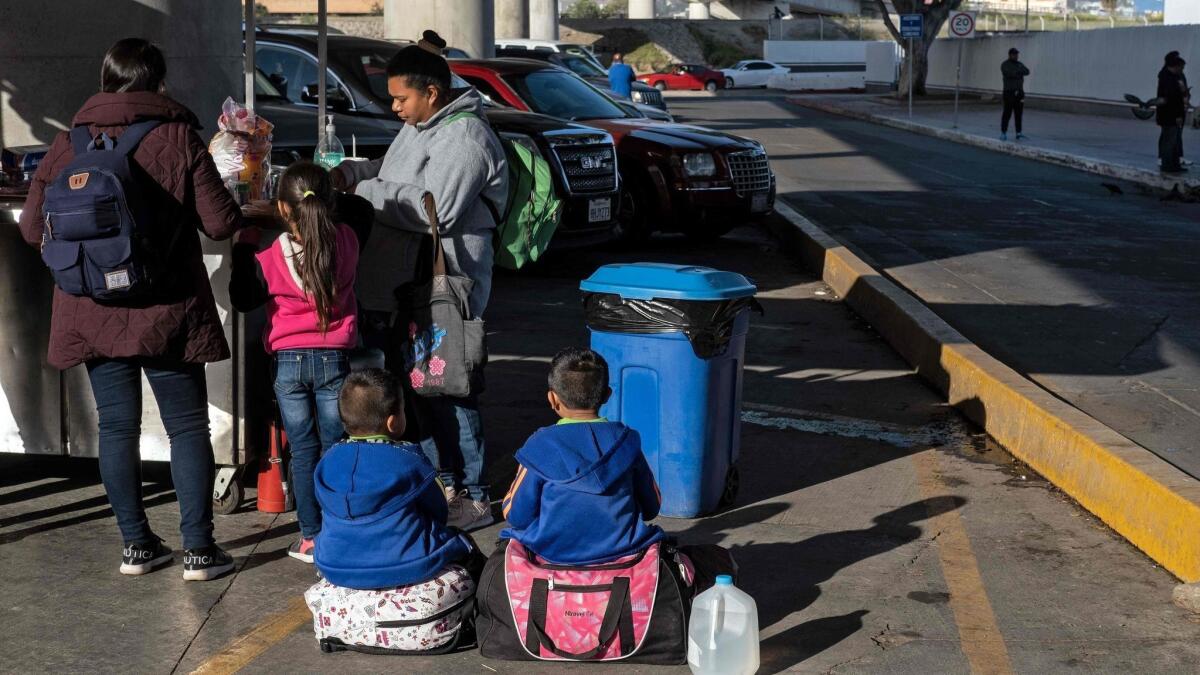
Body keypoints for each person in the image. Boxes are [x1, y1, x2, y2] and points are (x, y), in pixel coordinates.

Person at [18, 38, 243, 580]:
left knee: (116, 427)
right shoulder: (179, 137)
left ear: (105, 80)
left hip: (91, 304)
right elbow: (220, 223)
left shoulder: (64, 143)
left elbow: (30, 229)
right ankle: (198, 552)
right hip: (166, 305)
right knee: (186, 426)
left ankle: (136, 547)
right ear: (158, 83)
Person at [333, 30, 508, 531]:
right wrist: (354, 171)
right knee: (419, 383)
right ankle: (442, 481)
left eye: (400, 98)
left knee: (452, 385)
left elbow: (438, 208)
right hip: (408, 283)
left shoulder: (465, 136)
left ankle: (474, 494)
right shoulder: (422, 123)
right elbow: (395, 173)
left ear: (431, 92)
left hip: (448, 284)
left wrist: (367, 188)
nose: (394, 108)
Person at [229, 161, 368, 564]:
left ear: (283, 209)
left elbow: (242, 298)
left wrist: (246, 241)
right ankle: (339, 529)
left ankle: (309, 537)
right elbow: (359, 212)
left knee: (302, 450)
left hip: (288, 364)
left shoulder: (270, 256)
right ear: (329, 205)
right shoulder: (347, 241)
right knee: (334, 446)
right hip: (333, 359)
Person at [312, 368, 476, 588]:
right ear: (393, 422)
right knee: (465, 545)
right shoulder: (409, 460)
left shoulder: (327, 461)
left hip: (332, 564)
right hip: (407, 563)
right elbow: (438, 512)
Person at [499, 348, 665, 565]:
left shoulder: (539, 446)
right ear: (607, 395)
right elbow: (652, 506)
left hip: (552, 556)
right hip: (625, 554)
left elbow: (516, 514)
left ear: (552, 399)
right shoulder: (626, 442)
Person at [1158, 54, 1188, 174]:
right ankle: (1168, 165)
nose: (1182, 70)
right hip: (1170, 116)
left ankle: (1174, 165)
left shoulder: (1171, 77)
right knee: (1169, 141)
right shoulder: (1169, 79)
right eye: (1181, 67)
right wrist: (1178, 116)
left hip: (1171, 115)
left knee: (1174, 141)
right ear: (1175, 66)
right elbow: (1173, 99)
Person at [1000, 47, 1030, 141]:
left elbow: (1027, 71)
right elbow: (1009, 74)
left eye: (1017, 54)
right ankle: (1003, 132)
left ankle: (1018, 132)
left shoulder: (1019, 64)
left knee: (1019, 113)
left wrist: (1017, 72)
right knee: (1007, 113)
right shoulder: (1005, 64)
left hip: (1019, 93)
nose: (1016, 56)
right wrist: (1018, 72)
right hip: (1009, 92)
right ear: (1010, 55)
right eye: (1014, 54)